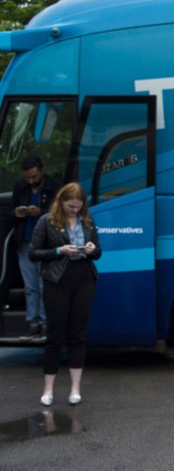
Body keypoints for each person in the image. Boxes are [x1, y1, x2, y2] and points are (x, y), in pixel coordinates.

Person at [29, 182, 101, 407]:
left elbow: (98, 253)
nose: (74, 210)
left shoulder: (87, 221)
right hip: (57, 280)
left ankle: (75, 389)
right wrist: (59, 251)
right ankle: (48, 390)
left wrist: (91, 249)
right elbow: (33, 253)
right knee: (55, 335)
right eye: (71, 206)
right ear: (61, 201)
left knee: (78, 335)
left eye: (78, 207)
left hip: (84, 278)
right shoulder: (46, 221)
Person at [11, 155, 61, 340]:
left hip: (45, 242)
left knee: (44, 284)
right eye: (27, 178)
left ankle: (46, 322)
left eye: (34, 177)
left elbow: (61, 212)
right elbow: (12, 212)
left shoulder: (54, 186)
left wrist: (42, 212)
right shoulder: (20, 188)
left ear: (42, 170)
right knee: (30, 285)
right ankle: (33, 323)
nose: (30, 181)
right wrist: (17, 213)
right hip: (25, 241)